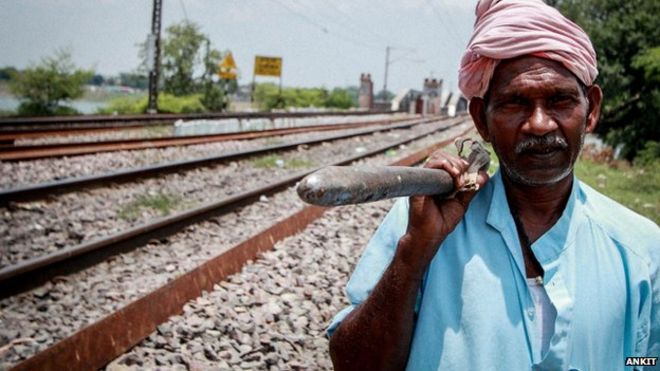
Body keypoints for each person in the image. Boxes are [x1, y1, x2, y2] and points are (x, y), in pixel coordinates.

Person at [327, 0, 660, 370]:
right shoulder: (422, 225)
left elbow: (647, 358)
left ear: (592, 110)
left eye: (559, 100)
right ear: (480, 120)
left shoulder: (640, 250)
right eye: (514, 103)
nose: (539, 124)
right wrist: (413, 253)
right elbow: (353, 364)